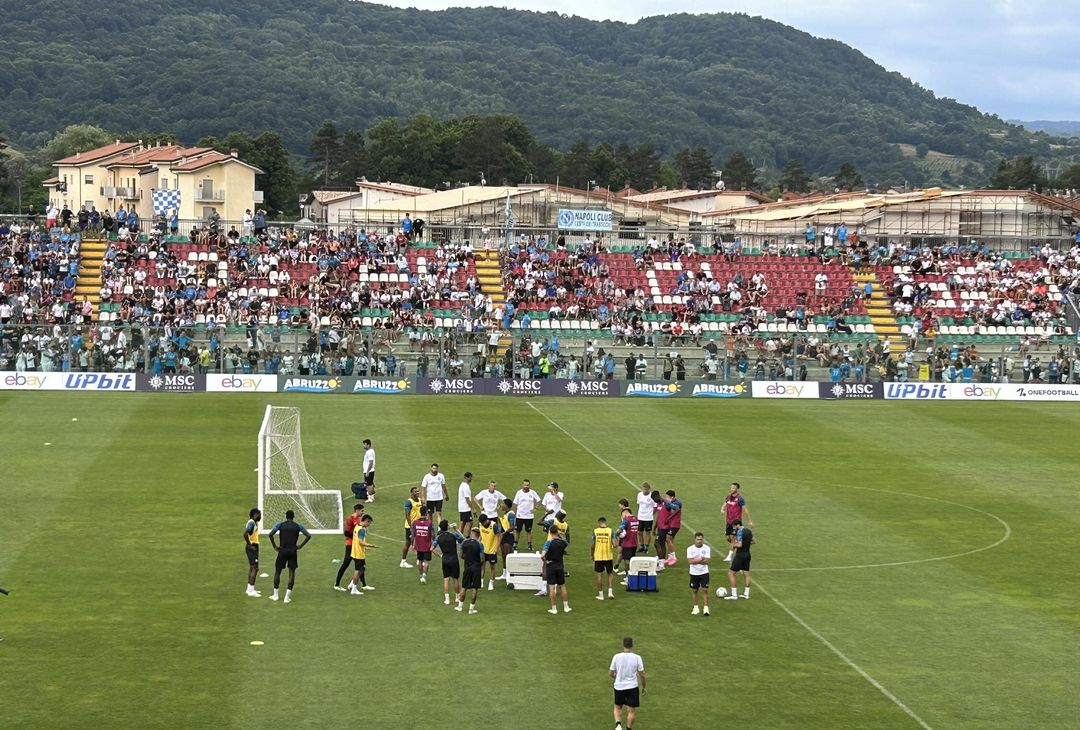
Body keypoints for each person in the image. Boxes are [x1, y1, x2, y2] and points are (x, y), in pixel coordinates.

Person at [268, 510, 311, 603]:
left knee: (277, 572)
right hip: (293, 552)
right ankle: (287, 598)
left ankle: (275, 595)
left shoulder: (280, 525)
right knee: (291, 573)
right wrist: (301, 545)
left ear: (286, 517)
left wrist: (274, 546)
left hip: (282, 551)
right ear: (293, 517)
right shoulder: (298, 526)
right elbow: (308, 535)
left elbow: (270, 534)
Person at [609, 637, 646, 730]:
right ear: (632, 645)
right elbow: (642, 674)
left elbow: (610, 673)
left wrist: (616, 677)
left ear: (623, 645)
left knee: (617, 707)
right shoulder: (637, 658)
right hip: (632, 687)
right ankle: (628, 728)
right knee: (631, 711)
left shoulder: (616, 657)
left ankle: (618, 725)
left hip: (619, 686)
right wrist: (644, 686)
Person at [541, 524, 571, 614]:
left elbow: (542, 555)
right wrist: (559, 535)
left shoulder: (548, 543)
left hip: (551, 566)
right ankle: (566, 607)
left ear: (550, 532)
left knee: (551, 588)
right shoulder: (563, 543)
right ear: (557, 532)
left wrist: (546, 561)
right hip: (560, 566)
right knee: (562, 586)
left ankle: (554, 609)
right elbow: (565, 541)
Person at [335, 503, 365, 590]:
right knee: (346, 564)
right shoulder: (350, 519)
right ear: (357, 510)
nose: (363, 512)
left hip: (356, 544)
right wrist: (356, 535)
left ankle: (364, 584)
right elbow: (346, 533)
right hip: (350, 544)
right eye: (362, 511)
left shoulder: (359, 519)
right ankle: (337, 584)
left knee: (361, 565)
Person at [435, 520, 463, 605]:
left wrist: (440, 555)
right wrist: (456, 529)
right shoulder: (453, 535)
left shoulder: (438, 537)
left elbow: (431, 548)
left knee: (446, 579)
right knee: (455, 579)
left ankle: (447, 599)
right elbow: (463, 540)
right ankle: (457, 597)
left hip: (445, 559)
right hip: (454, 559)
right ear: (447, 527)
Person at [346, 515, 377, 594]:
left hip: (355, 551)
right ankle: (354, 589)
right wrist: (370, 545)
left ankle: (352, 584)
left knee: (362, 569)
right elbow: (361, 542)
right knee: (358, 570)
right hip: (358, 554)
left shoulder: (357, 526)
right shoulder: (362, 530)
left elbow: (357, 540)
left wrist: (365, 548)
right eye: (369, 523)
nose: (369, 525)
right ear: (366, 521)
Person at [723, 482, 753, 562]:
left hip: (736, 522)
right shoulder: (728, 496)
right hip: (728, 521)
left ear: (737, 489)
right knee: (728, 538)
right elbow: (725, 503)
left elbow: (745, 509)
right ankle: (740, 543)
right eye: (731, 488)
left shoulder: (740, 499)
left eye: (733, 488)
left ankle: (729, 556)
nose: (732, 489)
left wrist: (749, 521)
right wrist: (722, 509)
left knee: (732, 538)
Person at [726, 519, 755, 600]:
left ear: (737, 525)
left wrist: (734, 545)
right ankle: (746, 594)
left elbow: (740, 545)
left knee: (731, 573)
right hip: (747, 554)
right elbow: (753, 541)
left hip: (740, 555)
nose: (734, 529)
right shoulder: (749, 531)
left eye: (734, 527)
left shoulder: (740, 532)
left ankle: (734, 595)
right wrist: (746, 544)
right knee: (746, 574)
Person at [457, 527, 484, 614]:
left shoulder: (464, 542)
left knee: (464, 587)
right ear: (478, 535)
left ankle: (460, 607)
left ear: (472, 533)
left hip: (467, 567)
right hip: (476, 568)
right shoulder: (480, 545)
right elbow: (482, 559)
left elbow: (461, 555)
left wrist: (467, 559)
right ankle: (471, 609)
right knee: (475, 588)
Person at [591, 516, 617, 601]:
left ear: (599, 523)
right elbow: (615, 544)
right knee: (610, 574)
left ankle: (601, 595)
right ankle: (610, 592)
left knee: (599, 575)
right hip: (608, 556)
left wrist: (592, 555)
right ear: (605, 523)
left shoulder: (595, 531)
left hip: (598, 556)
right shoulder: (610, 531)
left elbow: (593, 545)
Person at [512, 478, 541, 551]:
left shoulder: (532, 493)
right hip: (519, 515)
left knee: (529, 531)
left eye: (527, 485)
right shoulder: (519, 492)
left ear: (529, 485)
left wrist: (535, 508)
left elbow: (539, 500)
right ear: (522, 485)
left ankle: (529, 545)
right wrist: (514, 513)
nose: (526, 486)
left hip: (529, 516)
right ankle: (515, 544)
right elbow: (515, 503)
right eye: (525, 485)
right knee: (517, 530)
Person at [687, 531, 711, 616]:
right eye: (698, 539)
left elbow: (707, 561)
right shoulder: (690, 549)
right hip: (694, 573)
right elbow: (690, 561)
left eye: (701, 539)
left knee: (705, 590)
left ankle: (706, 608)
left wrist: (695, 560)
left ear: (703, 539)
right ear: (695, 539)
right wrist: (701, 559)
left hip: (704, 572)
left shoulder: (707, 548)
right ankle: (696, 607)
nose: (699, 541)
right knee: (694, 590)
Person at [477, 514, 503, 591]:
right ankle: (481, 581)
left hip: (492, 550)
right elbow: (480, 535)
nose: (482, 524)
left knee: (492, 567)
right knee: (482, 566)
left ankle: (491, 583)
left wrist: (497, 548)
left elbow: (499, 536)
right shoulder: (480, 524)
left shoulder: (494, 525)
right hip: (483, 550)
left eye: (483, 522)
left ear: (487, 520)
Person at [411, 507, 435, 584]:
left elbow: (413, 535)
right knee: (426, 562)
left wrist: (412, 544)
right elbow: (433, 534)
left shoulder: (415, 522)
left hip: (418, 545)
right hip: (427, 545)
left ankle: (421, 576)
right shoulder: (430, 523)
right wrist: (434, 541)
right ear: (426, 513)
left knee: (420, 561)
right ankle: (424, 576)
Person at [401, 487, 423, 568]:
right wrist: (411, 527)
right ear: (411, 493)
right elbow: (407, 515)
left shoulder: (420, 500)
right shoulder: (409, 502)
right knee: (408, 543)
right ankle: (403, 561)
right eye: (415, 491)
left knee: (419, 542)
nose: (417, 492)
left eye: (417, 491)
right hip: (410, 526)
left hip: (419, 525)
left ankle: (419, 559)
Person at [615, 507, 639, 580]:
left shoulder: (626, 521)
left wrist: (616, 534)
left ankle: (628, 577)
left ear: (624, 513)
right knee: (632, 560)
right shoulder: (636, 519)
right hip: (634, 543)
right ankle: (633, 575)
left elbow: (620, 530)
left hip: (627, 544)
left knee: (627, 561)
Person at [244, 508, 262, 597]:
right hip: (252, 547)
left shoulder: (253, 523)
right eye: (259, 514)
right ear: (254, 515)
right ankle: (251, 591)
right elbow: (245, 534)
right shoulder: (251, 523)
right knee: (255, 568)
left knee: (252, 568)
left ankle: (249, 589)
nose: (260, 516)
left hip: (253, 547)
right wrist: (250, 545)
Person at [497, 498, 517, 581]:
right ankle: (504, 574)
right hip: (503, 536)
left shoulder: (511, 514)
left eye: (502, 503)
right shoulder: (506, 514)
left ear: (506, 505)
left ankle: (510, 573)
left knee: (507, 555)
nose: (501, 505)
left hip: (508, 537)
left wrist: (503, 533)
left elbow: (512, 527)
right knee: (503, 555)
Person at [662, 490, 682, 566]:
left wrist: (669, 518)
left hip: (675, 524)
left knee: (668, 538)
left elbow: (676, 510)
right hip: (671, 524)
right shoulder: (672, 502)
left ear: (672, 497)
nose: (666, 498)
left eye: (667, 497)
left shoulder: (678, 502)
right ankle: (670, 557)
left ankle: (673, 557)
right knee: (669, 540)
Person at [635, 482, 656, 555]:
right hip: (640, 516)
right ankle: (641, 545)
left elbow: (655, 506)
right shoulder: (639, 495)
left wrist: (651, 514)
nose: (645, 491)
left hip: (648, 518)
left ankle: (646, 546)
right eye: (644, 489)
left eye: (646, 489)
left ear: (649, 489)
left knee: (647, 532)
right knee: (639, 532)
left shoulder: (652, 496)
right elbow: (639, 504)